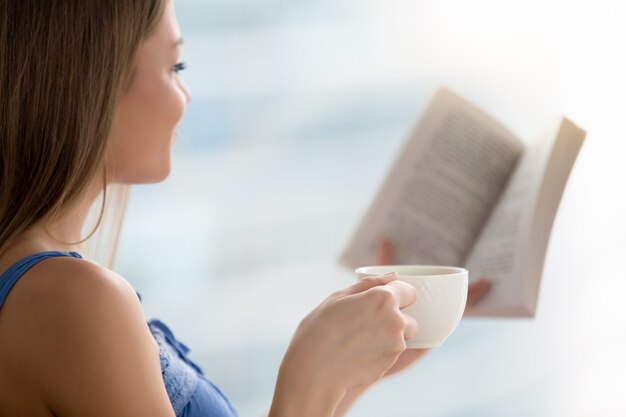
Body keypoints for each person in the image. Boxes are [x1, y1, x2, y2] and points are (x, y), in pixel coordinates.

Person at [0, 1, 490, 416]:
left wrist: (349, 371)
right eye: (176, 68)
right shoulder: (76, 299)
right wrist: (310, 372)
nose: (186, 95)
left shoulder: (53, 292)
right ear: (95, 83)